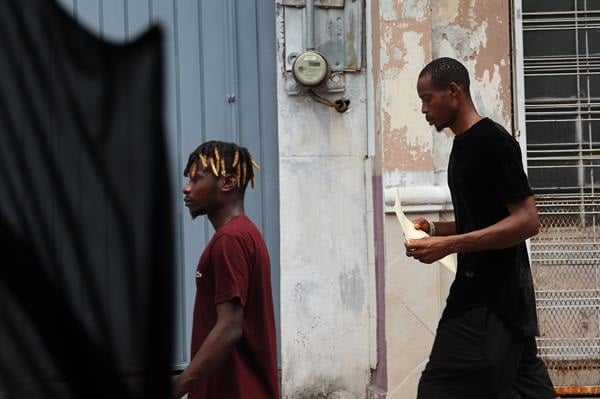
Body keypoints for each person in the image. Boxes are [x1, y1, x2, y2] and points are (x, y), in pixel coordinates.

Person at [405, 57, 559, 399]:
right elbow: (484, 218)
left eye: (427, 98)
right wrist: (435, 230)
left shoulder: (493, 142)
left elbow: (526, 220)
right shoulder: (463, 146)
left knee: (437, 390)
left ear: (453, 91)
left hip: (487, 301)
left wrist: (449, 246)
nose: (423, 109)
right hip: (505, 304)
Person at [172, 141, 280, 399]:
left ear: (228, 183)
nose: (186, 188)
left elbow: (229, 328)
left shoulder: (229, 240)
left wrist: (176, 388)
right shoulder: (246, 233)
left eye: (197, 179)